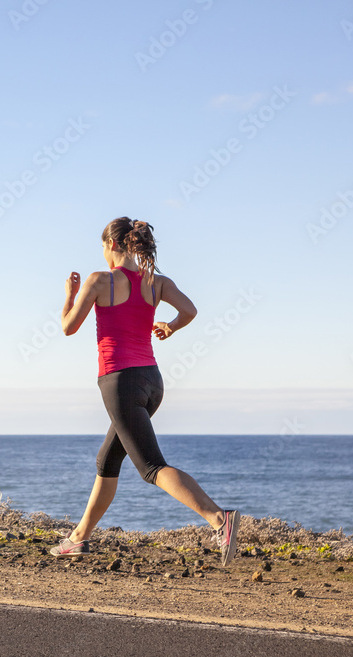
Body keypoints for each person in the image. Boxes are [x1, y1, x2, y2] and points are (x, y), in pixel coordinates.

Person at [50, 217, 239, 566]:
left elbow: (67, 327)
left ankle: (219, 519)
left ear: (112, 245)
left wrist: (70, 296)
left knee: (152, 468)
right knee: (107, 461)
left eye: (103, 248)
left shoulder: (99, 280)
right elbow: (190, 311)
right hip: (152, 383)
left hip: (119, 382)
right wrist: (170, 326)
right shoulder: (156, 282)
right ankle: (78, 538)